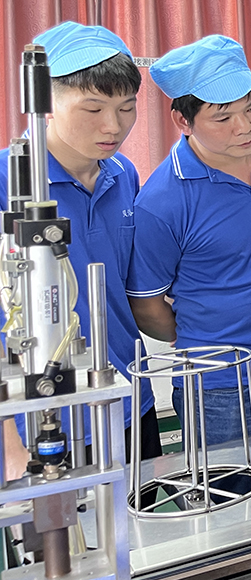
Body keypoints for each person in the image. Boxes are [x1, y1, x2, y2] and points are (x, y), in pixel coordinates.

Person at [1, 22, 161, 479]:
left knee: (145, 520)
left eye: (126, 108)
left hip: (128, 398)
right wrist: (9, 442)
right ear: (46, 104)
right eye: (93, 108)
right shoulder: (9, 183)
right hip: (43, 420)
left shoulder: (122, 174)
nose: (114, 126)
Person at [127, 35, 251, 444]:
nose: (245, 127)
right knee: (229, 485)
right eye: (223, 118)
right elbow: (147, 306)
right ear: (183, 121)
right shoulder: (161, 201)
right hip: (217, 385)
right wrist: (208, 335)